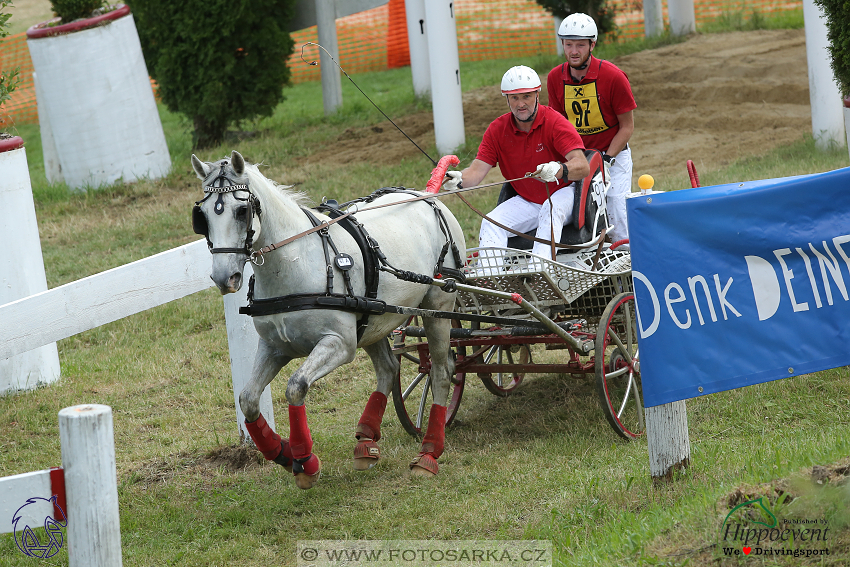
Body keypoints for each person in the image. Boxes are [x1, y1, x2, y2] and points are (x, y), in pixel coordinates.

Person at [444, 65, 589, 259]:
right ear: (507, 100)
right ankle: (490, 280)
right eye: (514, 98)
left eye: (526, 96)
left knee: (550, 209)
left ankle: (540, 271)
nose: (521, 104)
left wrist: (559, 169)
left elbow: (582, 166)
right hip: (528, 200)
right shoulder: (497, 129)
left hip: (564, 194)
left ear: (537, 94)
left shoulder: (554, 122)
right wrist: (459, 179)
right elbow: (475, 173)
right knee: (491, 222)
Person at [547, 13, 636, 244]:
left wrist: (606, 159)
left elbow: (627, 127)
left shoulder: (614, 77)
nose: (573, 51)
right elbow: (557, 126)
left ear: (592, 45)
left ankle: (627, 258)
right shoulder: (555, 77)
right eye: (568, 44)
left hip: (612, 156)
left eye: (580, 44)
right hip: (578, 158)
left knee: (616, 205)